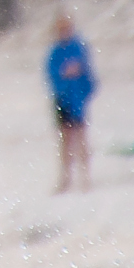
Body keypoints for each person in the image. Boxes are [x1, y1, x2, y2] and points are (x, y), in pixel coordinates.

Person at [46, 14, 97, 193]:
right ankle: (66, 177)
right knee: (65, 140)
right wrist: (64, 77)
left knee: (81, 138)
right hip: (62, 100)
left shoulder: (78, 48)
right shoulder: (55, 52)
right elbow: (51, 75)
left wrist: (83, 90)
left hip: (77, 100)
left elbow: (88, 75)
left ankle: (86, 177)